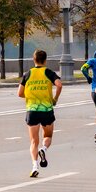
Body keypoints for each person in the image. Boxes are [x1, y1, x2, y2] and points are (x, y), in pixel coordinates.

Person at [19, 49, 62, 177]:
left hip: (32, 110)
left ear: (34, 60)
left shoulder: (28, 74)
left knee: (33, 141)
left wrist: (31, 96)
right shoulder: (48, 72)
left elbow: (19, 93)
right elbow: (59, 85)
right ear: (45, 60)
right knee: (47, 136)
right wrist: (55, 99)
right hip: (47, 110)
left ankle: (34, 166)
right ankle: (43, 149)